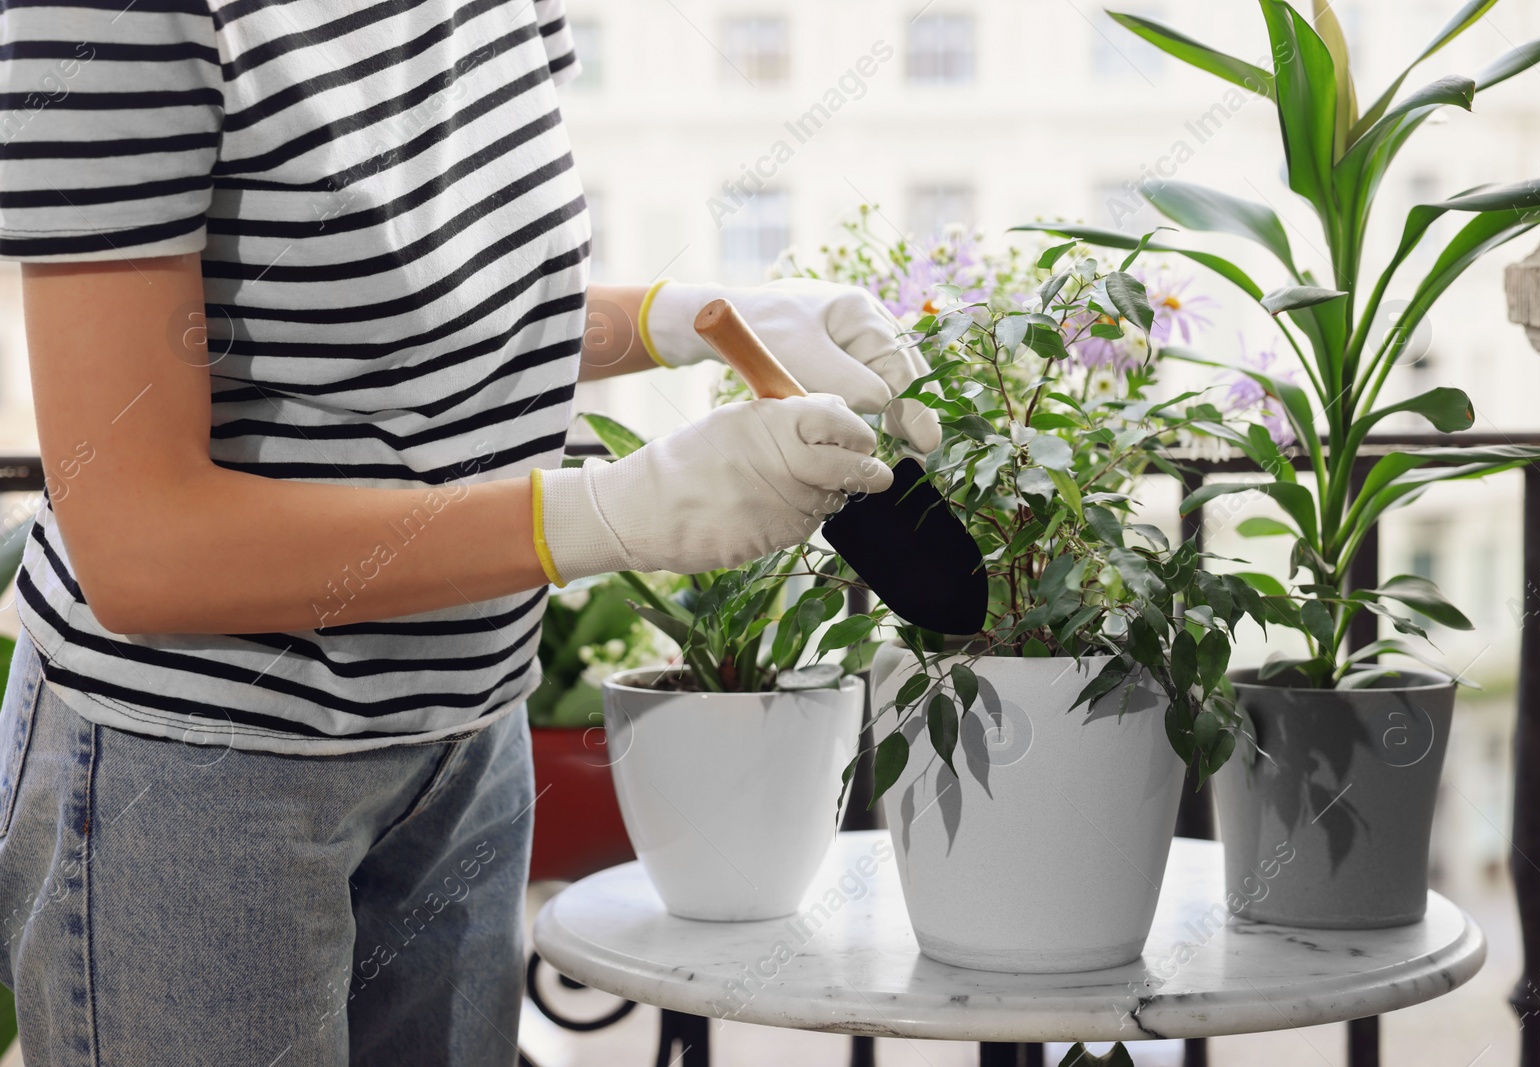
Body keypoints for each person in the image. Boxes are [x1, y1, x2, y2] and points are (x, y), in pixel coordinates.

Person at [0, 1, 938, 1063]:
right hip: (206, 775)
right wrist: (606, 514)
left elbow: (442, 314)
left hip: (466, 732)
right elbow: (142, 545)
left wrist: (693, 317)